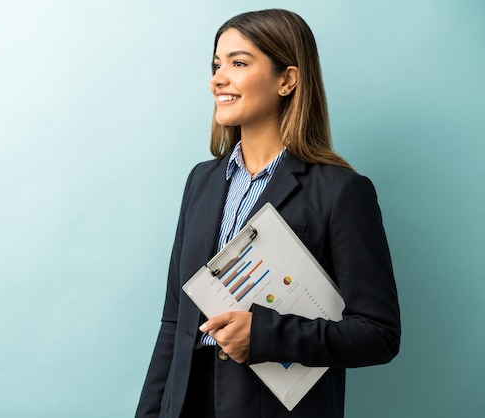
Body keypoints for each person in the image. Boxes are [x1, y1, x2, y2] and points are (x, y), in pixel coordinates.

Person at [136, 8, 400, 418]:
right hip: (187, 403)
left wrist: (264, 335)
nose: (218, 78)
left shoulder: (341, 192)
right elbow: (175, 322)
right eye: (216, 65)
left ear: (287, 80)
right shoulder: (201, 182)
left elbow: (378, 335)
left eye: (238, 63)